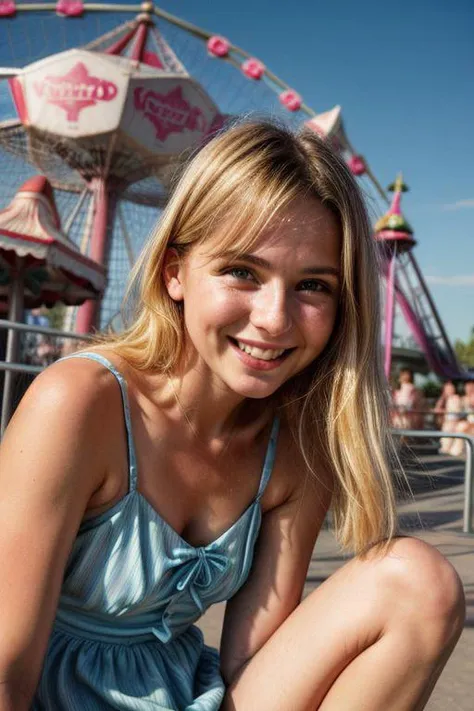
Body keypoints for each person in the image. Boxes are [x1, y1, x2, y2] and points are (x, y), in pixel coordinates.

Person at [0, 121, 464, 711]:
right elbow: (6, 670)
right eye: (243, 271)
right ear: (174, 273)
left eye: (313, 285)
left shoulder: (295, 448)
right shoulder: (83, 402)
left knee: (419, 583)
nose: (274, 318)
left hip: (181, 696)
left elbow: (254, 666)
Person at [434, 381, 465, 455]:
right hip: (447, 423)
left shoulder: (455, 398)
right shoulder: (446, 399)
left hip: (452, 423)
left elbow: (455, 414)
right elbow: (437, 409)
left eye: (450, 388)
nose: (449, 390)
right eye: (447, 388)